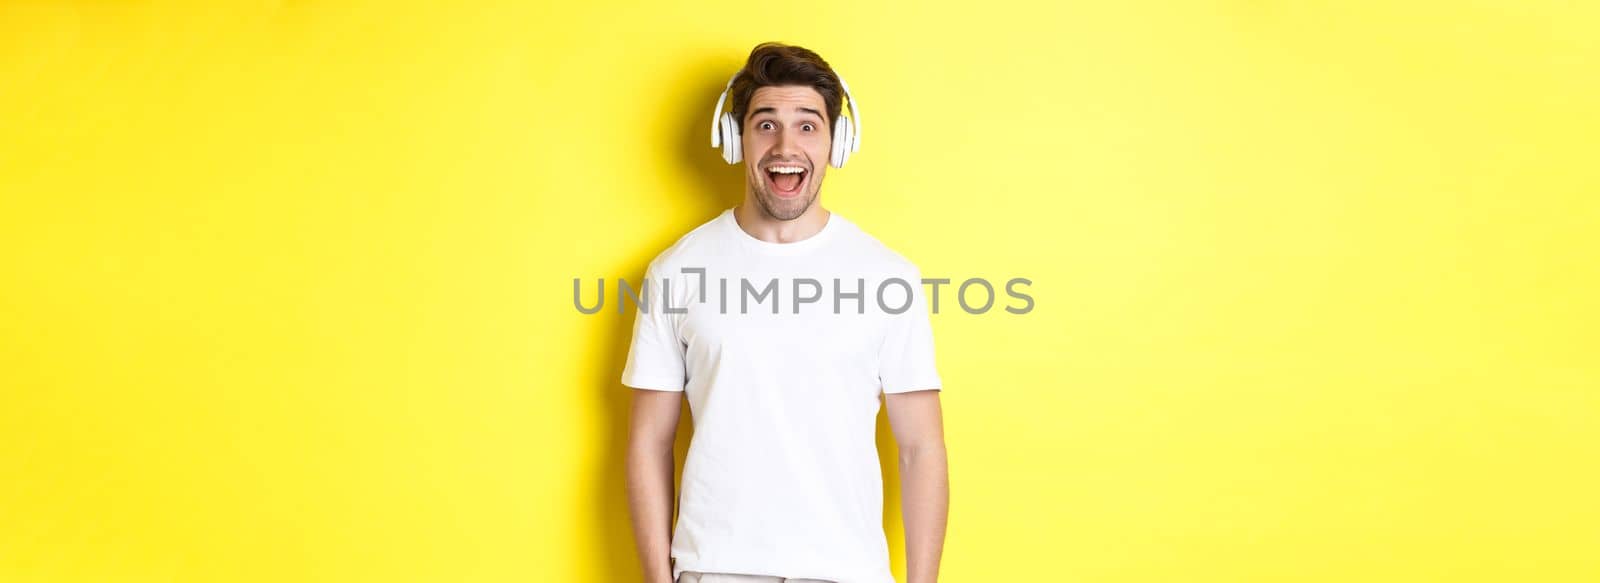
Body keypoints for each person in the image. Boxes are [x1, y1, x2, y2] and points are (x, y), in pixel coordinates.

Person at [623, 42, 948, 583]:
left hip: (849, 573)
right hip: (717, 571)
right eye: (766, 123)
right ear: (735, 139)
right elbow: (648, 443)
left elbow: (921, 448)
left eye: (807, 125)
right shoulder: (675, 271)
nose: (784, 146)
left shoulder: (890, 277)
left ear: (836, 141)